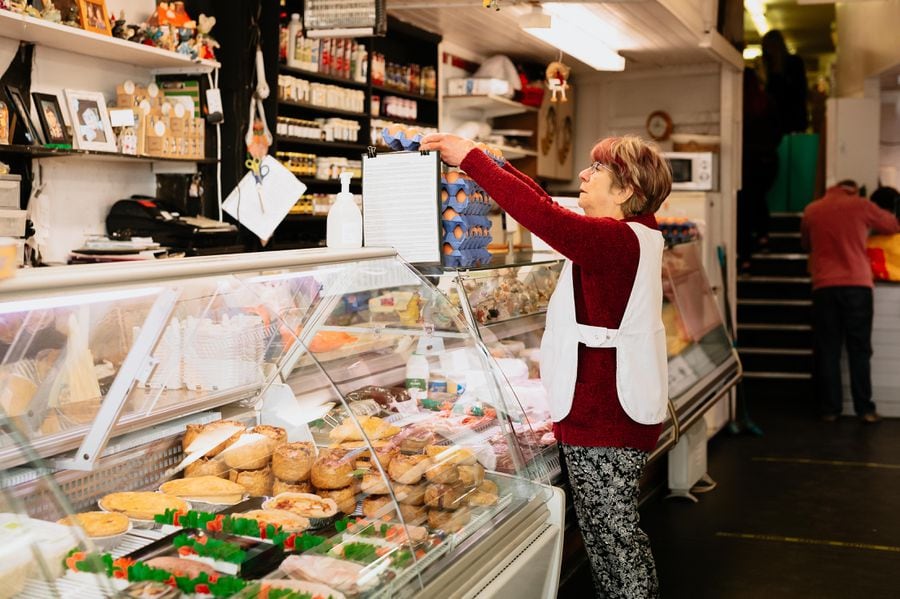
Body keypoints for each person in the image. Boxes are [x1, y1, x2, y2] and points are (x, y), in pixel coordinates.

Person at [420, 132, 672, 598]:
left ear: (626, 192)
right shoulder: (632, 235)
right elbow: (542, 202)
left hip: (607, 417)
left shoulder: (615, 242)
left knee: (616, 541)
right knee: (605, 540)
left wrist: (472, 160)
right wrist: (493, 159)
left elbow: (539, 215)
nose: (583, 174)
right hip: (604, 412)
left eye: (597, 171)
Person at [801, 180, 900, 423]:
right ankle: (864, 409)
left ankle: (830, 409)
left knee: (829, 349)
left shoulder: (812, 210)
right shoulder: (862, 206)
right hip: (857, 285)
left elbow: (806, 244)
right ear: (853, 190)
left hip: (824, 286)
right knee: (859, 350)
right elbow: (892, 225)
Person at [738, 66, 783, 272]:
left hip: (745, 160)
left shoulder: (738, 103)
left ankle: (746, 256)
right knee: (758, 199)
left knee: (744, 207)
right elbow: (778, 131)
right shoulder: (767, 102)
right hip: (767, 160)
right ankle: (764, 236)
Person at [761, 29, 809, 135]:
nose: (770, 51)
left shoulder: (794, 64)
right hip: (775, 122)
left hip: (793, 120)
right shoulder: (767, 69)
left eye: (772, 47)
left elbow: (800, 92)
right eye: (767, 48)